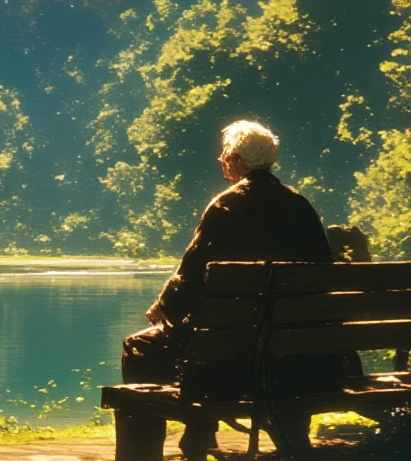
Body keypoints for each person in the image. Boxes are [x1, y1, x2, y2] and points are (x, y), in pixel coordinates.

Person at [121, 120, 339, 460]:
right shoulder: (300, 205)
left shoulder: (226, 205)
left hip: (231, 364)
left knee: (139, 347)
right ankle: (209, 434)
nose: (222, 159)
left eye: (226, 154)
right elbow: (323, 275)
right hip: (300, 362)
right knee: (213, 339)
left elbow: (190, 277)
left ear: (237, 160)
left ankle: (167, 444)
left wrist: (163, 308)